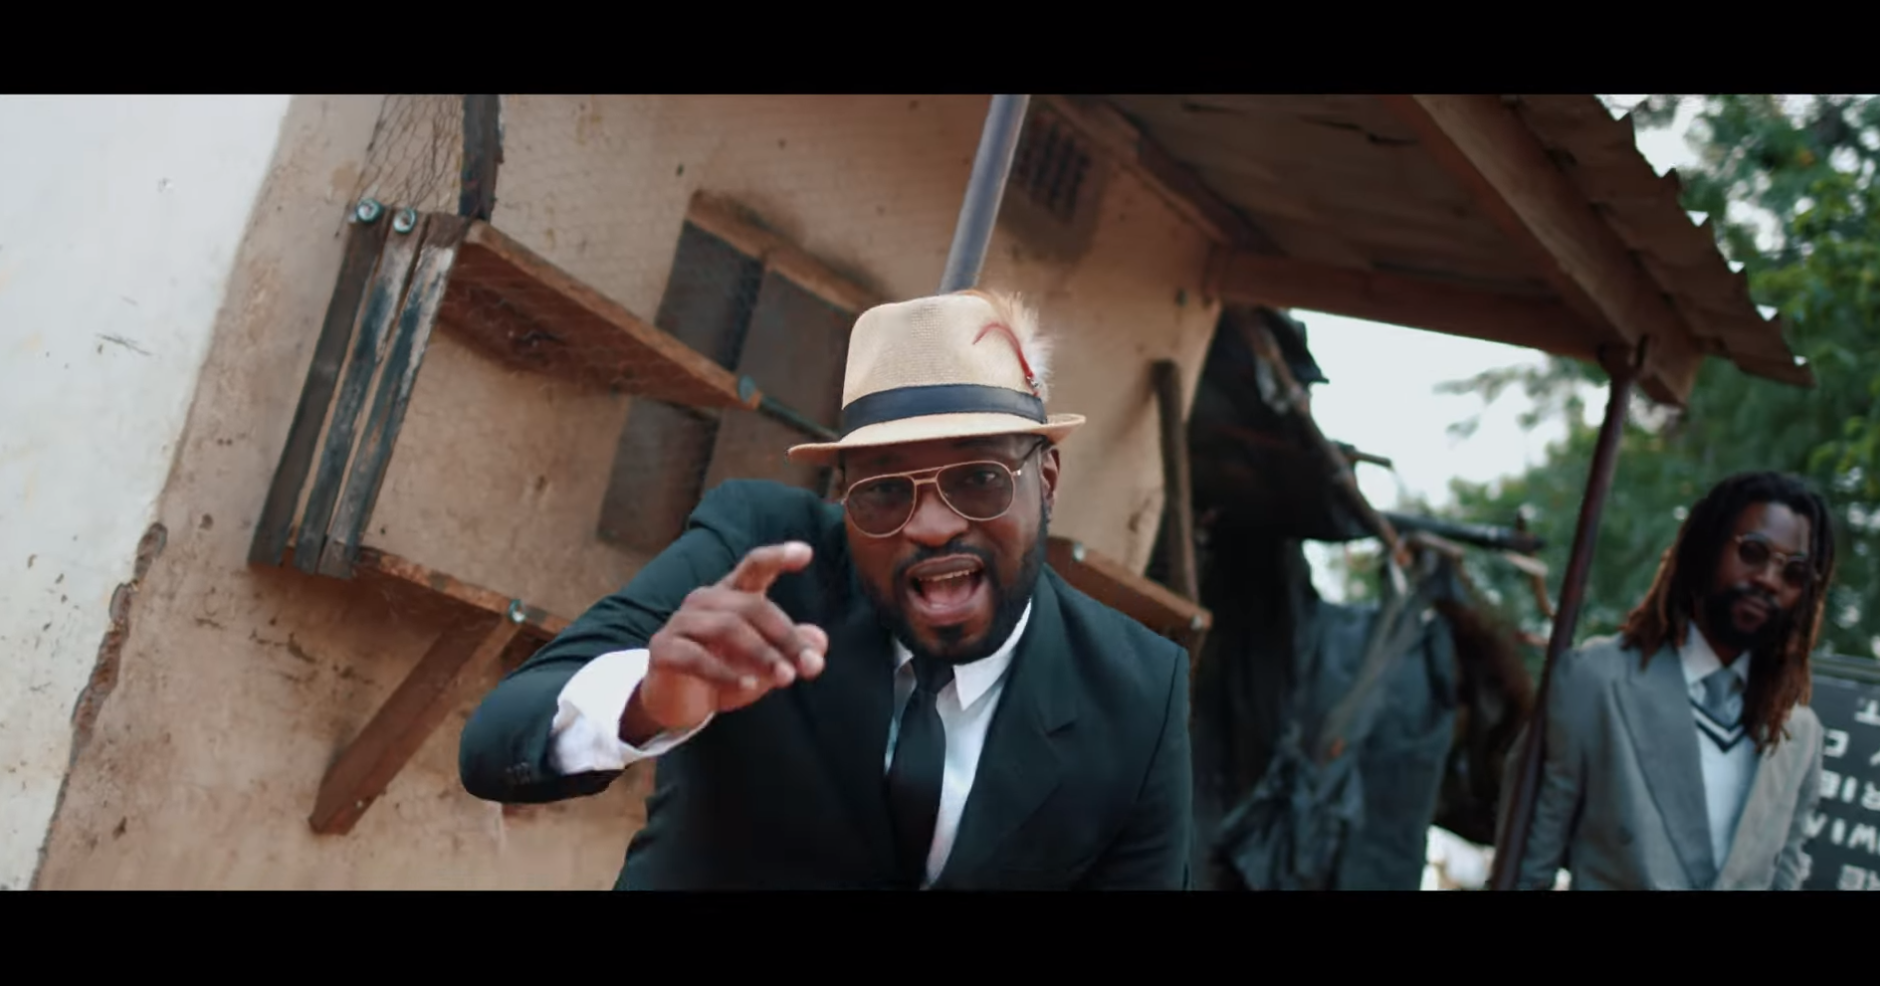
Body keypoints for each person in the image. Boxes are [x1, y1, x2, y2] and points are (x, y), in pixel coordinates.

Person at [458, 288, 1193, 890]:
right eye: (884, 490)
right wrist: (648, 700)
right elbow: (497, 740)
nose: (933, 526)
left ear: (1047, 481)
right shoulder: (764, 556)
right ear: (844, 500)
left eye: (978, 478)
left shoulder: (1138, 690)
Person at [1496, 471, 1835, 890]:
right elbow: (1526, 869)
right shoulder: (1597, 679)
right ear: (1705, 548)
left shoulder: (1797, 734)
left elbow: (1783, 878)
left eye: (1795, 573)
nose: (1768, 579)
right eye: (1752, 552)